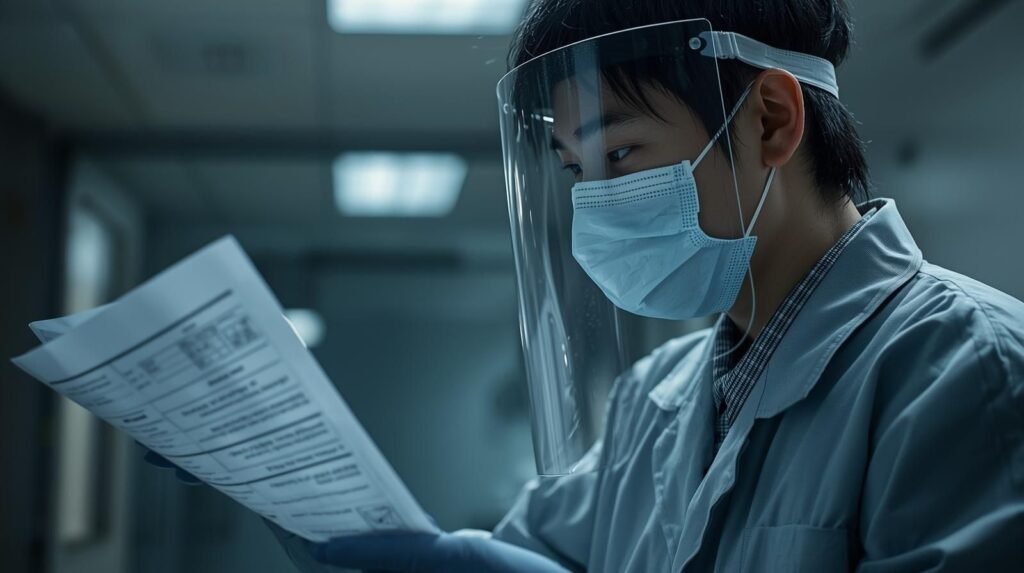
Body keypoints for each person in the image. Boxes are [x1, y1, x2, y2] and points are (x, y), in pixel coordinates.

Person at [148, 1, 1024, 571]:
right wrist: (302, 492)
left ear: (770, 119)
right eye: (576, 170)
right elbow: (520, 553)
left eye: (622, 154)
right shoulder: (657, 396)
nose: (596, 204)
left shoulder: (966, 372)